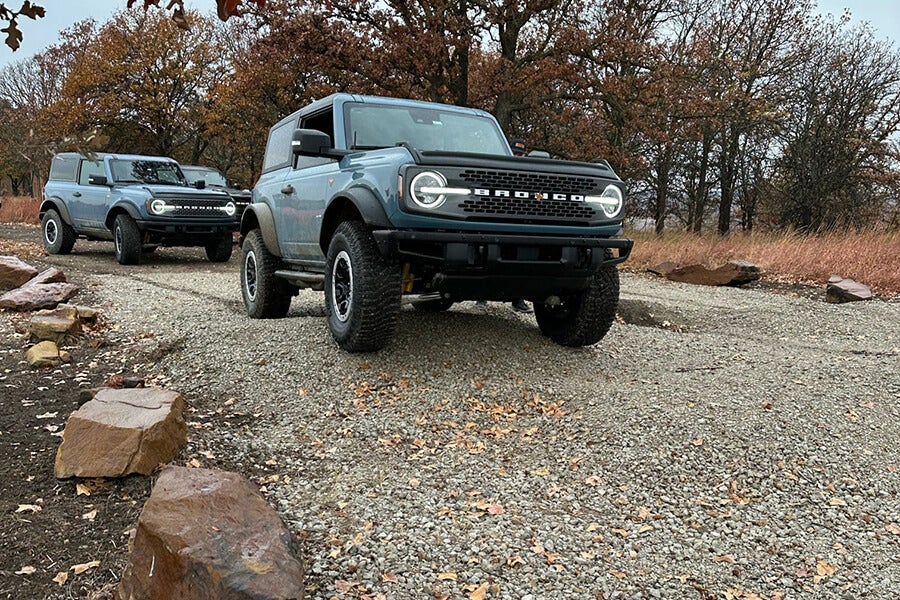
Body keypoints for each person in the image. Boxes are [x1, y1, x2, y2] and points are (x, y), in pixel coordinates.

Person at [476, 138, 533, 313]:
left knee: (520, 262)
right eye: (514, 153)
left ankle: (518, 300)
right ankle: (481, 296)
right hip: (496, 222)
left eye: (520, 154)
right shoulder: (497, 170)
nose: (517, 156)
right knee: (487, 257)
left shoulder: (531, 175)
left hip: (521, 225)